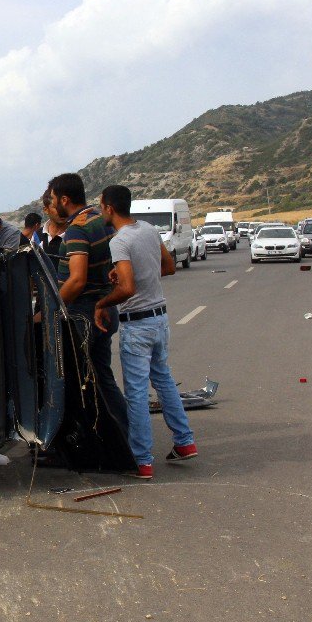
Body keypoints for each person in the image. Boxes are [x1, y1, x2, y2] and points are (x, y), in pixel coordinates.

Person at [95, 185, 197, 480]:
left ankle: (141, 460)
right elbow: (167, 267)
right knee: (163, 380)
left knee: (137, 393)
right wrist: (136, 273)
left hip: (137, 325)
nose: (101, 210)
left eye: (102, 206)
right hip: (159, 318)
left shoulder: (120, 241)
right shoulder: (149, 230)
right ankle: (185, 441)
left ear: (109, 208)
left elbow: (127, 289)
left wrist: (102, 302)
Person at [49, 173, 128, 426]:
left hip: (84, 314)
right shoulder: (99, 218)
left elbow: (77, 280)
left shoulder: (77, 228)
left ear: (64, 199)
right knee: (103, 377)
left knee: (79, 382)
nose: (52, 204)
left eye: (53, 199)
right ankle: (125, 435)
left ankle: (100, 442)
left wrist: (51, 309)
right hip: (104, 308)